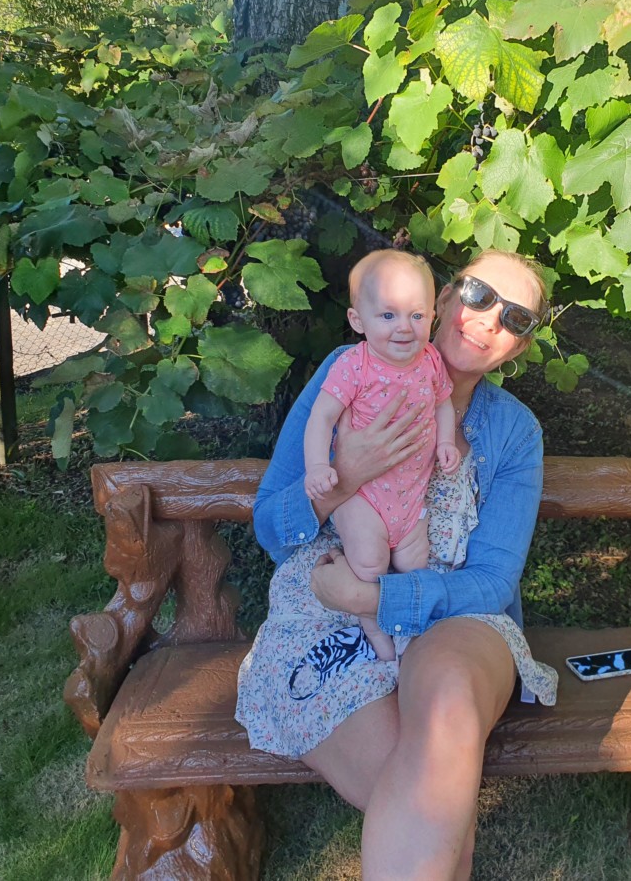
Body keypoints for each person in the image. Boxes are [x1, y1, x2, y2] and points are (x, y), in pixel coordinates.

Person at [237, 249, 558, 880]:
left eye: (516, 318)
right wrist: (342, 476)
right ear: (442, 300)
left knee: (445, 722)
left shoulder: (515, 433)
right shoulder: (347, 372)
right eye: (478, 295)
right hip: (325, 616)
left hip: (455, 618)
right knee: (433, 795)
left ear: (519, 348)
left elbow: (491, 583)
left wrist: (373, 600)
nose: (491, 320)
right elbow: (272, 527)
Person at [303, 250, 461, 660]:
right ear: (358, 321)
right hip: (364, 497)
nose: (404, 328)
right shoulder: (354, 366)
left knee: (415, 562)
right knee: (370, 565)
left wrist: (446, 442)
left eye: (416, 315)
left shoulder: (430, 361)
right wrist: (320, 466)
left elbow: (444, 403)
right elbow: (321, 419)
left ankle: (410, 632)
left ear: (432, 316)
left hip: (410, 498)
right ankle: (373, 627)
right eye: (387, 316)